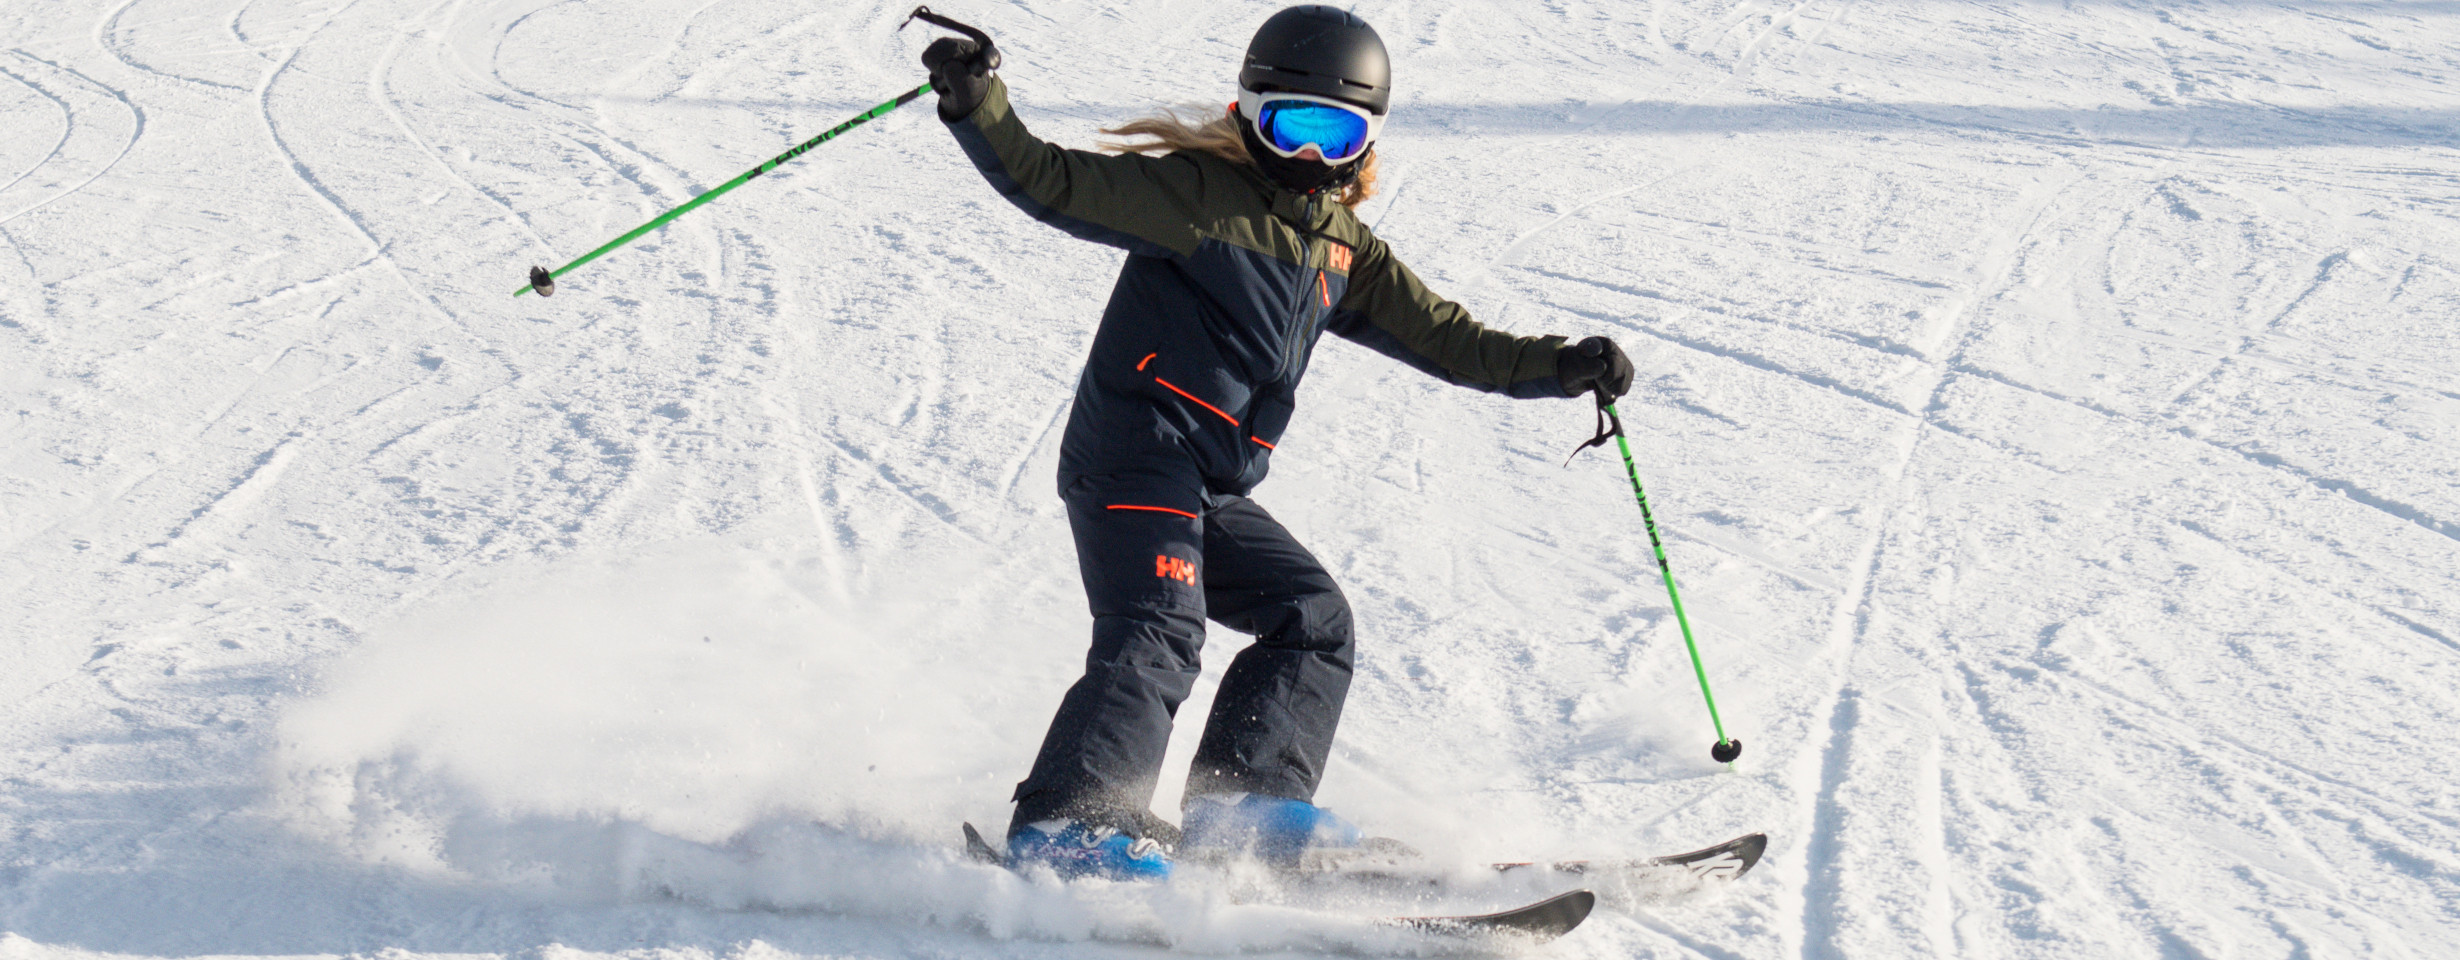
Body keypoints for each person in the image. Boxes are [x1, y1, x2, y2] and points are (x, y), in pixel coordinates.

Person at [921, 5, 1635, 882]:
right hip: (1134, 457)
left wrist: (1557, 367)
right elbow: (1049, 181)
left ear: (1365, 141)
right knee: (1158, 628)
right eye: (1288, 125)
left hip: (1209, 484)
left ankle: (1245, 812)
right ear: (1247, 114)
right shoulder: (1192, 196)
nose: (1307, 154)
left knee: (1313, 620)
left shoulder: (1344, 250)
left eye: (1331, 131)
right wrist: (977, 106)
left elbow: (1449, 338)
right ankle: (1068, 828)